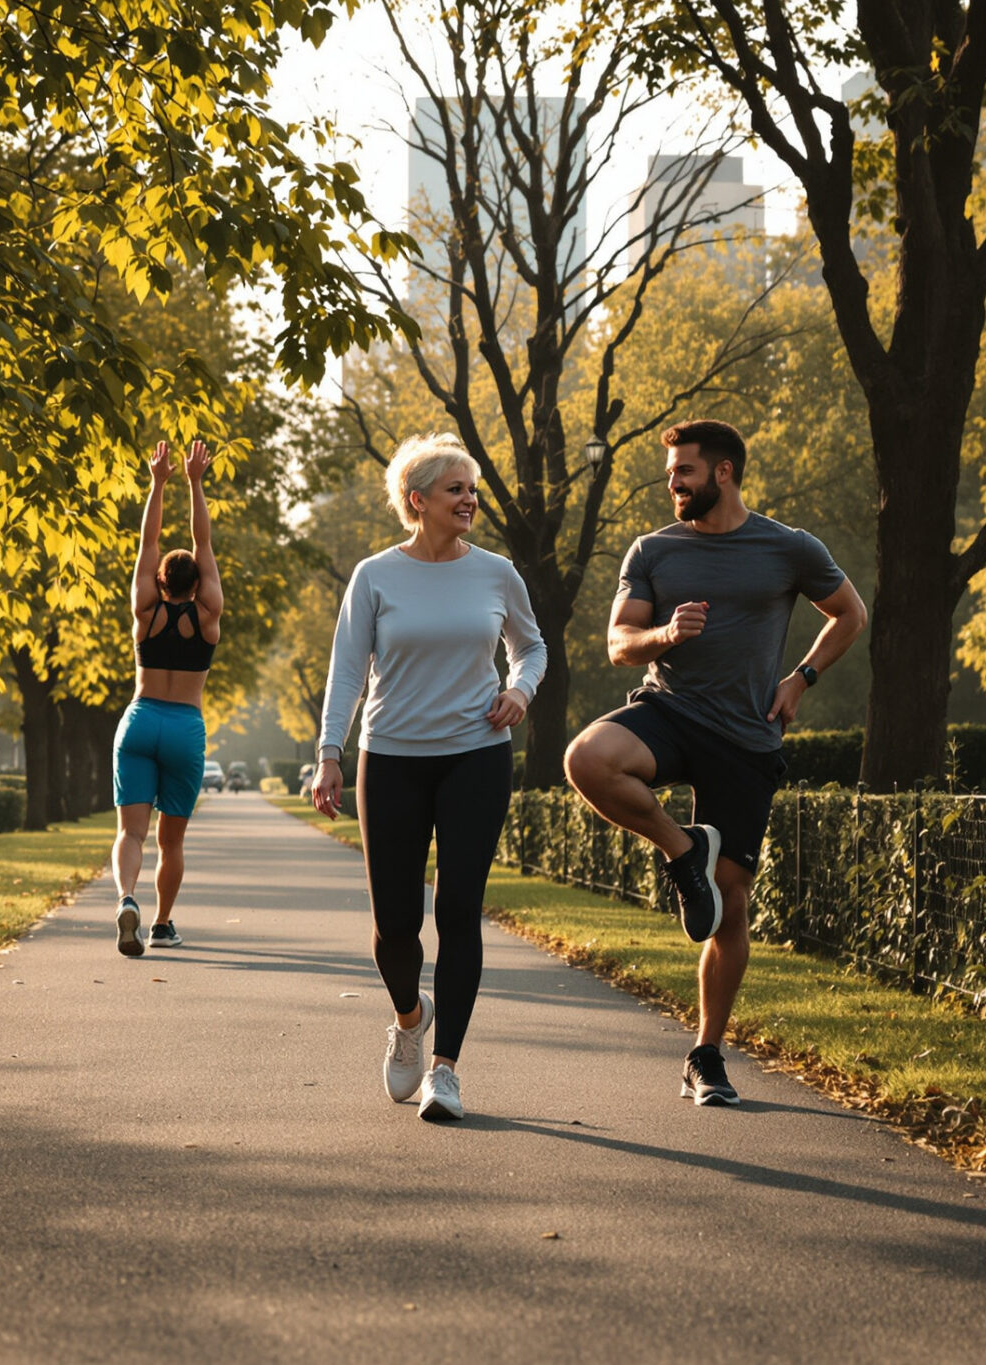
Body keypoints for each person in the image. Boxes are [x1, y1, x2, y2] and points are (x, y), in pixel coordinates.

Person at [563, 419, 867, 1107]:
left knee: (730, 903)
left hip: (746, 737)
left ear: (723, 472)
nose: (672, 483)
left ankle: (706, 1053)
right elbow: (618, 642)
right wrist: (666, 633)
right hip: (670, 711)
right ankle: (681, 851)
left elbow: (849, 613)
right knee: (587, 758)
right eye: (672, 473)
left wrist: (801, 679)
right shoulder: (655, 549)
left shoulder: (788, 547)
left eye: (684, 472)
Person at [308, 432, 546, 1123]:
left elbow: (530, 646)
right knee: (394, 925)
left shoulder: (497, 572)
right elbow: (347, 670)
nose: (470, 499)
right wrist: (330, 751)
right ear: (418, 501)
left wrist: (521, 692)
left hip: (476, 754)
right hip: (393, 760)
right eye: (456, 489)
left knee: (459, 911)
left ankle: (446, 1070)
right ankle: (410, 1017)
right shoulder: (376, 575)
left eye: (471, 489)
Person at [109, 438, 221, 957]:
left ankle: (126, 899)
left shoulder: (145, 611)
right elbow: (203, 543)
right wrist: (196, 483)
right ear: (198, 582)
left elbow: (147, 541)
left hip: (139, 719)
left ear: (158, 581)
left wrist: (159, 484)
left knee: (131, 832)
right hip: (184, 726)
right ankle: (160, 923)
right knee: (169, 841)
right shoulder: (208, 615)